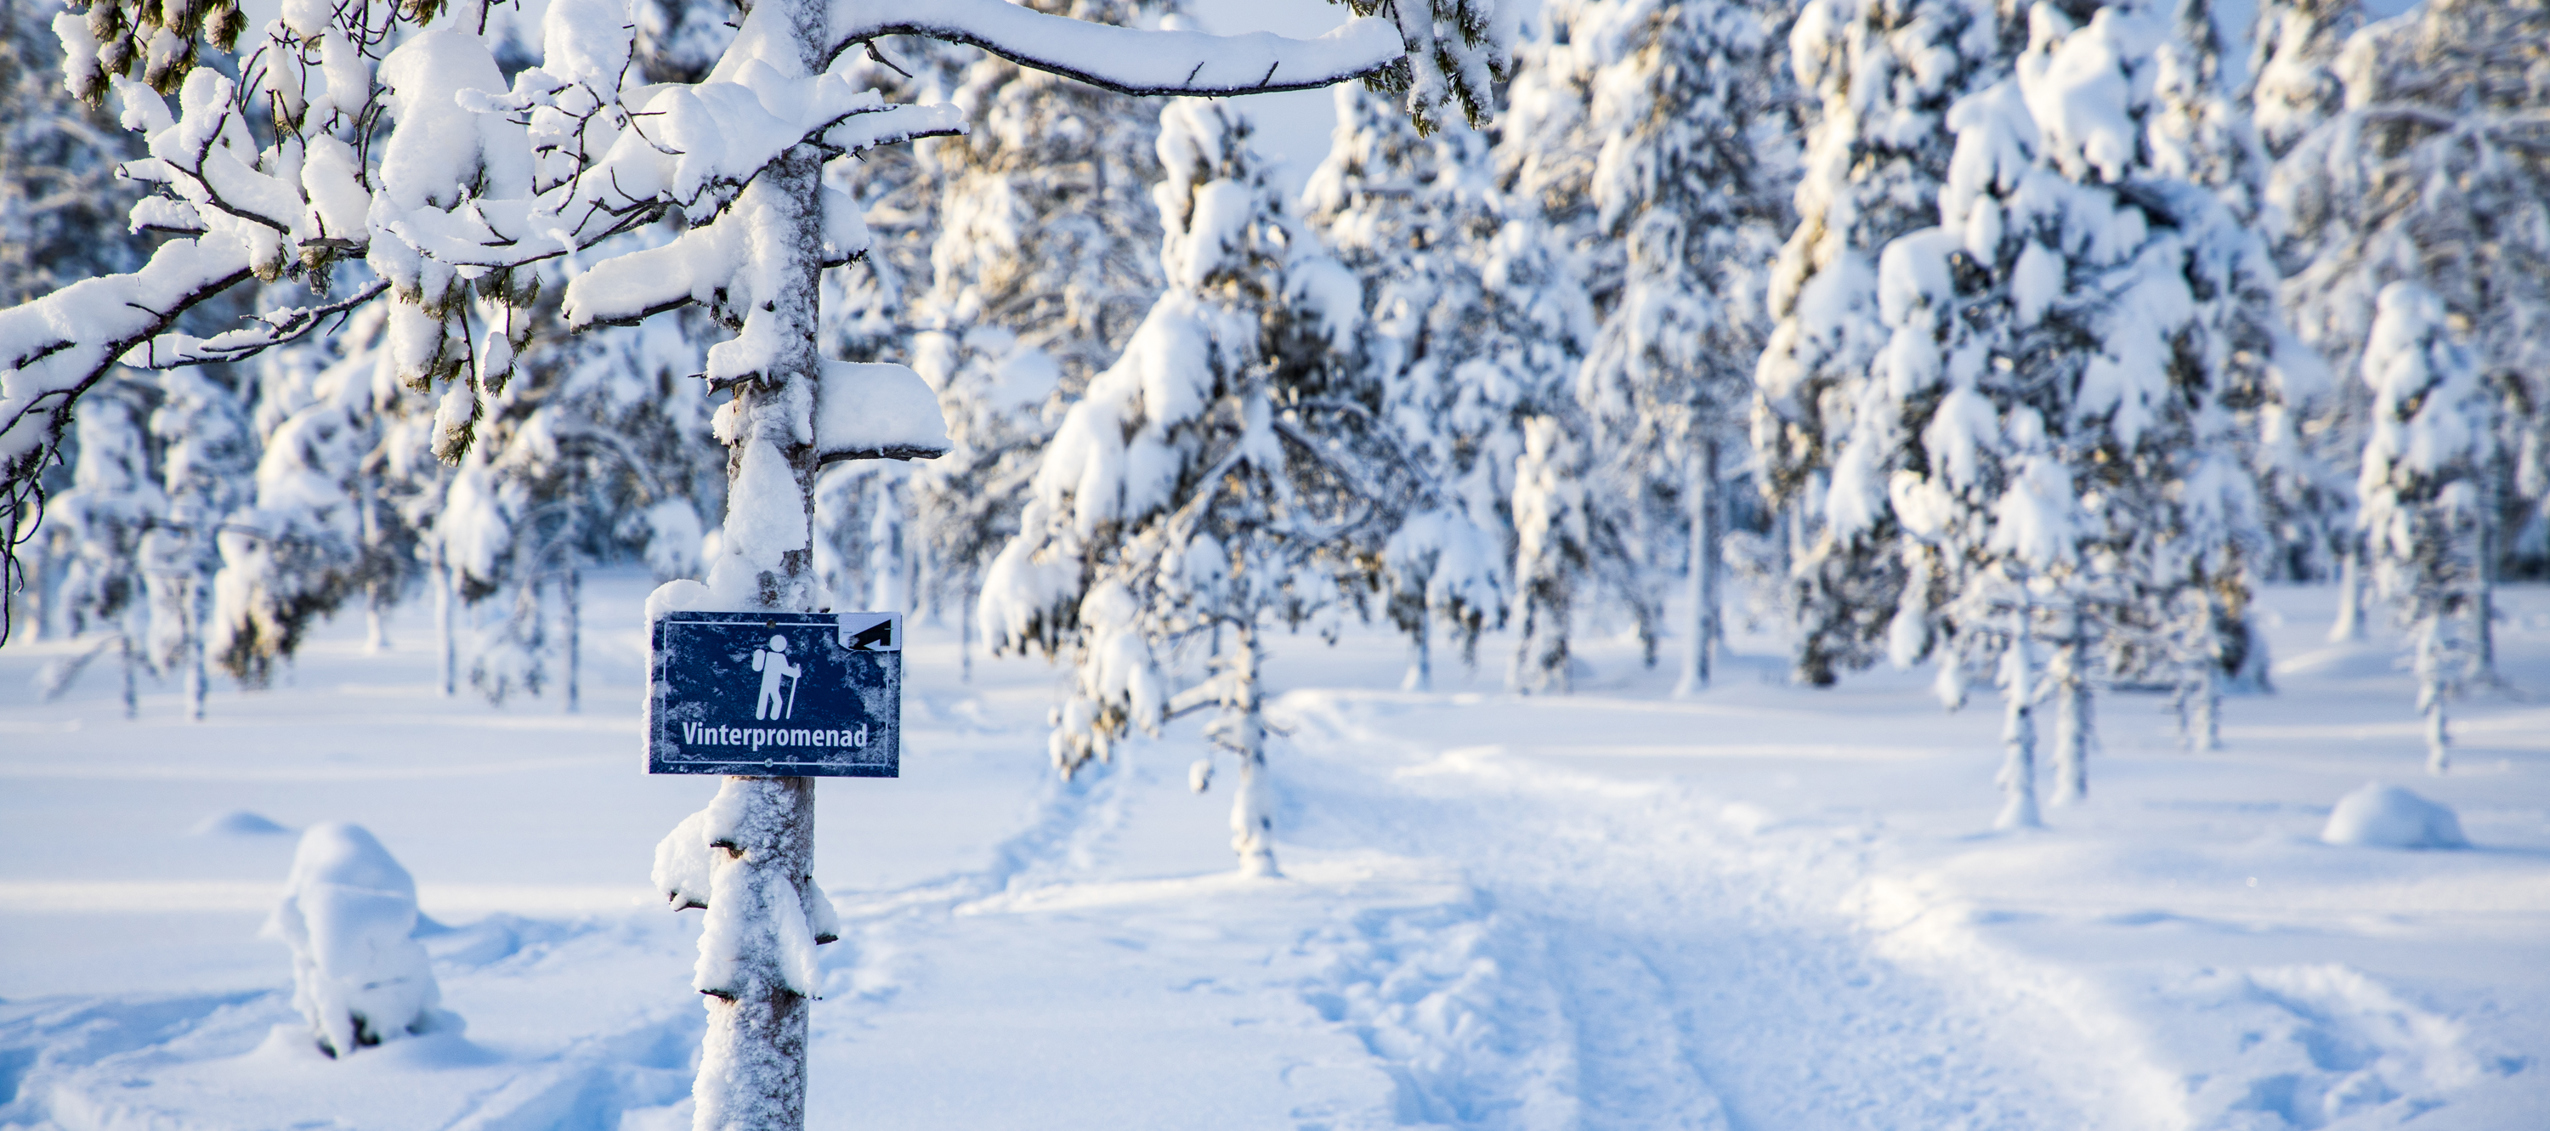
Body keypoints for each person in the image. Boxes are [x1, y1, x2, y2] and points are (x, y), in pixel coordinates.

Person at [751, 634, 800, 720]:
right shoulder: (780, 657)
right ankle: (772, 717)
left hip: (767, 682)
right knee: (777, 701)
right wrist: (795, 673)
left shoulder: (769, 655)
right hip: (772, 682)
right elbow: (785, 670)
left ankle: (762, 716)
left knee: (764, 699)